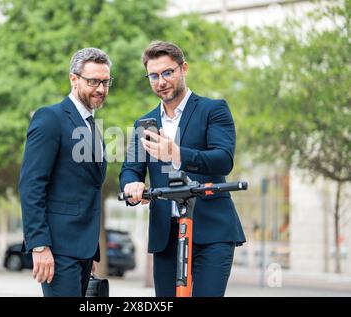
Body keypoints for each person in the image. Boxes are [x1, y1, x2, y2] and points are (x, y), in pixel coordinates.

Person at [120, 41, 246, 297]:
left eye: (167, 72)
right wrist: (131, 184)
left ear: (183, 68)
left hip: (211, 230)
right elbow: (130, 169)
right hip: (166, 235)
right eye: (153, 76)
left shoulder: (213, 109)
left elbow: (223, 159)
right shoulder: (144, 123)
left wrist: (176, 153)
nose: (161, 81)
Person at [18, 48, 112, 297]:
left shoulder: (92, 126)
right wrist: (39, 245)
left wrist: (90, 251)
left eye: (105, 81)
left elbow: (87, 188)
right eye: (93, 81)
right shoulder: (50, 118)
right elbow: (31, 185)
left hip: (83, 250)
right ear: (74, 79)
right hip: (57, 249)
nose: (100, 89)